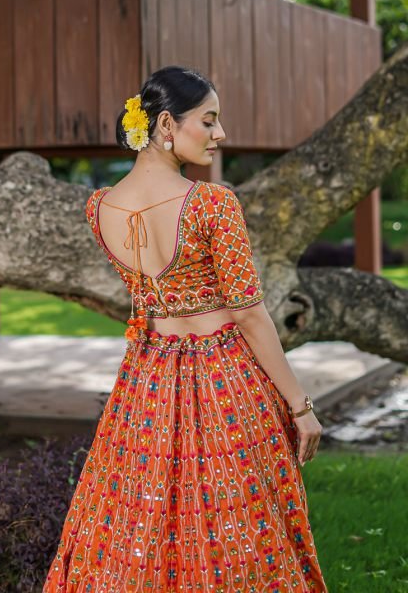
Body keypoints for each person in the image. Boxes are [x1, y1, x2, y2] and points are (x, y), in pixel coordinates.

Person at [43, 65, 328, 592]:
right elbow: (247, 313)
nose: (220, 134)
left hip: (145, 384)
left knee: (145, 521)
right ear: (167, 124)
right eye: (210, 120)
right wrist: (300, 406)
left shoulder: (99, 207)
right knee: (236, 526)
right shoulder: (212, 204)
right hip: (226, 381)